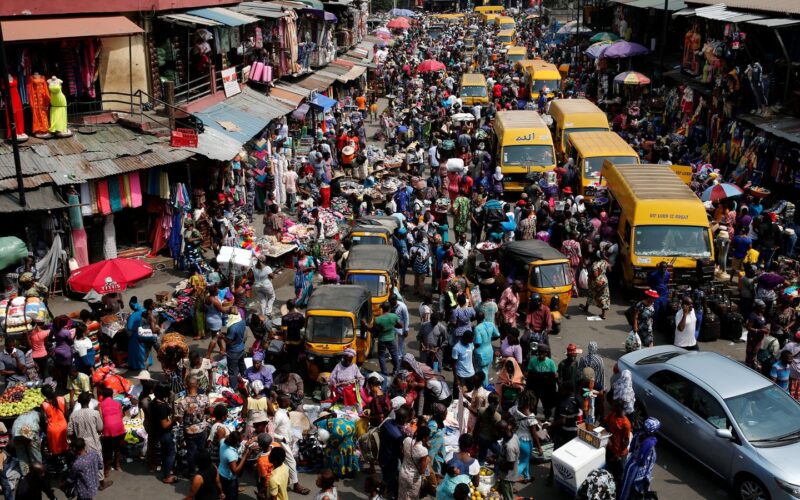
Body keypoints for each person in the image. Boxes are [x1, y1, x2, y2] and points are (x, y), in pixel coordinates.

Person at [174, 375, 210, 476]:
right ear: (197, 385)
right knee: (202, 450)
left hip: (189, 431)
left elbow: (180, 420)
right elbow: (209, 410)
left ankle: (192, 472)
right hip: (202, 429)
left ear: (186, 386)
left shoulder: (182, 402)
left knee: (191, 452)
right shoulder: (204, 398)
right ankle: (203, 470)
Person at [547, 382, 581, 486]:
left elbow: (562, 421)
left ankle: (551, 478)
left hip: (565, 433)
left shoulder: (564, 403)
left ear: (567, 390)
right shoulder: (578, 399)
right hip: (576, 432)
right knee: (571, 457)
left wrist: (550, 424)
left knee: (556, 454)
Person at [618, 418, 661, 500]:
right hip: (636, 468)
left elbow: (631, 448)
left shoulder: (638, 434)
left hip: (629, 462)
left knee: (624, 483)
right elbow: (643, 460)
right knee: (630, 488)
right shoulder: (650, 443)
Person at [509, 391, 543, 482]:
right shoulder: (531, 417)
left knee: (523, 459)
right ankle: (511, 478)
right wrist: (539, 447)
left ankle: (526, 476)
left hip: (515, 438)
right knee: (523, 462)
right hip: (526, 442)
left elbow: (506, 417)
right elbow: (534, 434)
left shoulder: (514, 409)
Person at [147, 383, 176, 484]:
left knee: (165, 452)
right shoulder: (161, 407)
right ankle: (167, 476)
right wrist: (173, 419)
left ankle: (165, 469)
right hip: (165, 433)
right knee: (170, 453)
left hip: (158, 432)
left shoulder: (154, 403)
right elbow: (164, 424)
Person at [379, 406, 409, 498]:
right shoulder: (398, 435)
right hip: (390, 460)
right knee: (389, 479)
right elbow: (401, 451)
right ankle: (382, 494)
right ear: (402, 418)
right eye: (406, 418)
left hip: (382, 455)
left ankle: (382, 491)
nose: (406, 420)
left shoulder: (387, 423)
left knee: (385, 476)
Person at [219, 431, 257, 500]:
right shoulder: (230, 454)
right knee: (231, 496)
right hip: (228, 478)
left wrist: (246, 446)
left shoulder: (223, 442)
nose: (240, 443)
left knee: (225, 494)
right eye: (240, 442)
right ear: (236, 442)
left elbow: (220, 433)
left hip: (221, 472)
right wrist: (245, 456)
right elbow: (235, 471)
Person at [97, 386, 125, 478]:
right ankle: (117, 465)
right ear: (112, 395)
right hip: (119, 427)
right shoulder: (117, 403)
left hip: (108, 429)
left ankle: (106, 470)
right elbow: (121, 416)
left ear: (103, 396)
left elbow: (100, 419)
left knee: (107, 450)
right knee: (118, 448)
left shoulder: (100, 404)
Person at [603, 399, 632, 485]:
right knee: (608, 470)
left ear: (619, 408)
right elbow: (604, 422)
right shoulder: (612, 414)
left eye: (614, 406)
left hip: (620, 454)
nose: (612, 407)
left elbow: (626, 441)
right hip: (610, 449)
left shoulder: (626, 424)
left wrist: (618, 455)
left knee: (618, 477)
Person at [398, 426, 430, 500]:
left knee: (401, 495)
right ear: (425, 438)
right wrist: (427, 459)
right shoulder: (423, 451)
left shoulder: (407, 440)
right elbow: (422, 471)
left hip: (403, 472)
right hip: (413, 479)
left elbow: (402, 452)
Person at [40, 385, 68, 460]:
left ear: (43, 394)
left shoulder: (44, 404)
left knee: (55, 451)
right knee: (65, 447)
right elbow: (67, 413)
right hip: (63, 426)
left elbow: (43, 420)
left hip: (53, 429)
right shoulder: (62, 399)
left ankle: (58, 467)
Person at [374, 302, 402, 376]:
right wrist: (393, 325)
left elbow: (375, 330)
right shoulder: (394, 316)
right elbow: (400, 325)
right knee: (394, 354)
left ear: (382, 309)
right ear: (390, 308)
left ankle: (384, 372)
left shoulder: (377, 319)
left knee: (381, 356)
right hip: (391, 339)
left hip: (382, 340)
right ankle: (396, 371)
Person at [474, 392, 502, 464]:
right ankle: (496, 472)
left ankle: (480, 471)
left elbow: (477, 426)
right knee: (500, 454)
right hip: (491, 440)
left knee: (481, 457)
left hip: (481, 438)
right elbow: (497, 433)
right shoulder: (498, 416)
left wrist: (474, 438)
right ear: (497, 403)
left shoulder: (481, 410)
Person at [473, 311, 499, 386]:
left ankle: (485, 388)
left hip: (481, 353)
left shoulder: (477, 328)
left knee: (483, 373)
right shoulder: (490, 324)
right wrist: (489, 340)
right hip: (489, 351)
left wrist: (472, 349)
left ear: (476, 318)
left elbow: (478, 342)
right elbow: (497, 335)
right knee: (486, 371)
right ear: (484, 317)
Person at [496, 420, 520, 500]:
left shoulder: (510, 446)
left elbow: (510, 466)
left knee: (508, 497)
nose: (496, 433)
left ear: (502, 431)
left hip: (508, 477)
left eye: (498, 431)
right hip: (505, 475)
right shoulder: (513, 436)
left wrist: (494, 462)